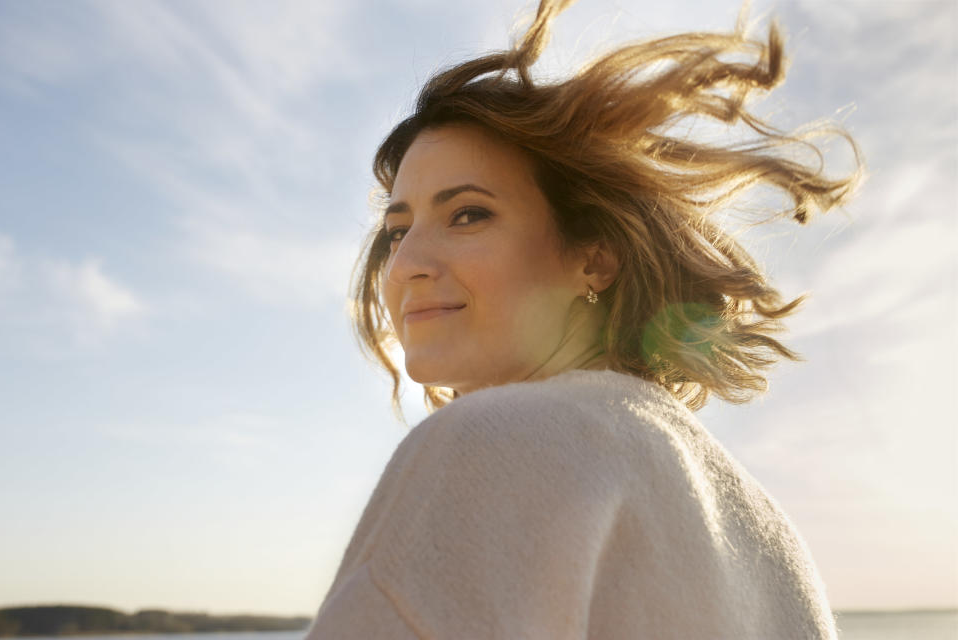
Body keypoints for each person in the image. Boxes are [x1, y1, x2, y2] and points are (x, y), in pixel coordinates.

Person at [307, 0, 861, 638]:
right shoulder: (762, 529)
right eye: (398, 229)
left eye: (467, 214)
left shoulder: (484, 446)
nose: (405, 264)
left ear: (593, 257)